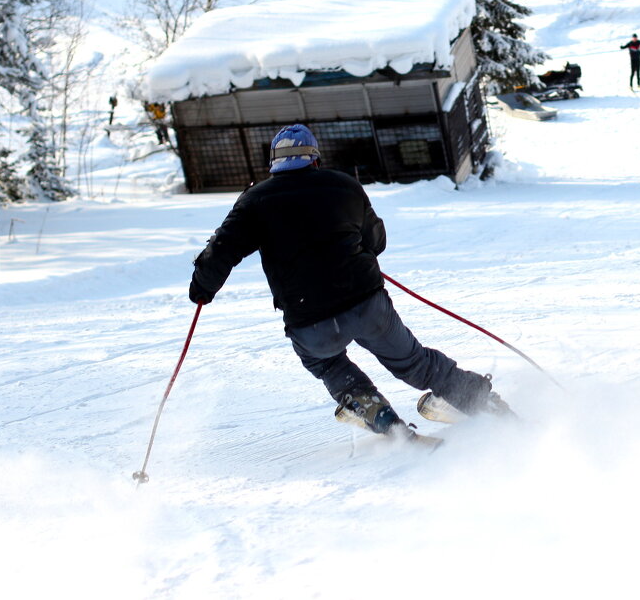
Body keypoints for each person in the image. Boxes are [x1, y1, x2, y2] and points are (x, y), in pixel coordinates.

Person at [188, 124, 509, 440]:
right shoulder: (343, 185)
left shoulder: (253, 201)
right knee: (415, 362)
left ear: (274, 164)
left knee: (327, 365)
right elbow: (376, 240)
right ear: (314, 158)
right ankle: (483, 401)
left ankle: (381, 418)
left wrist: (202, 289)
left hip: (309, 319)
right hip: (366, 304)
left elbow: (220, 253)